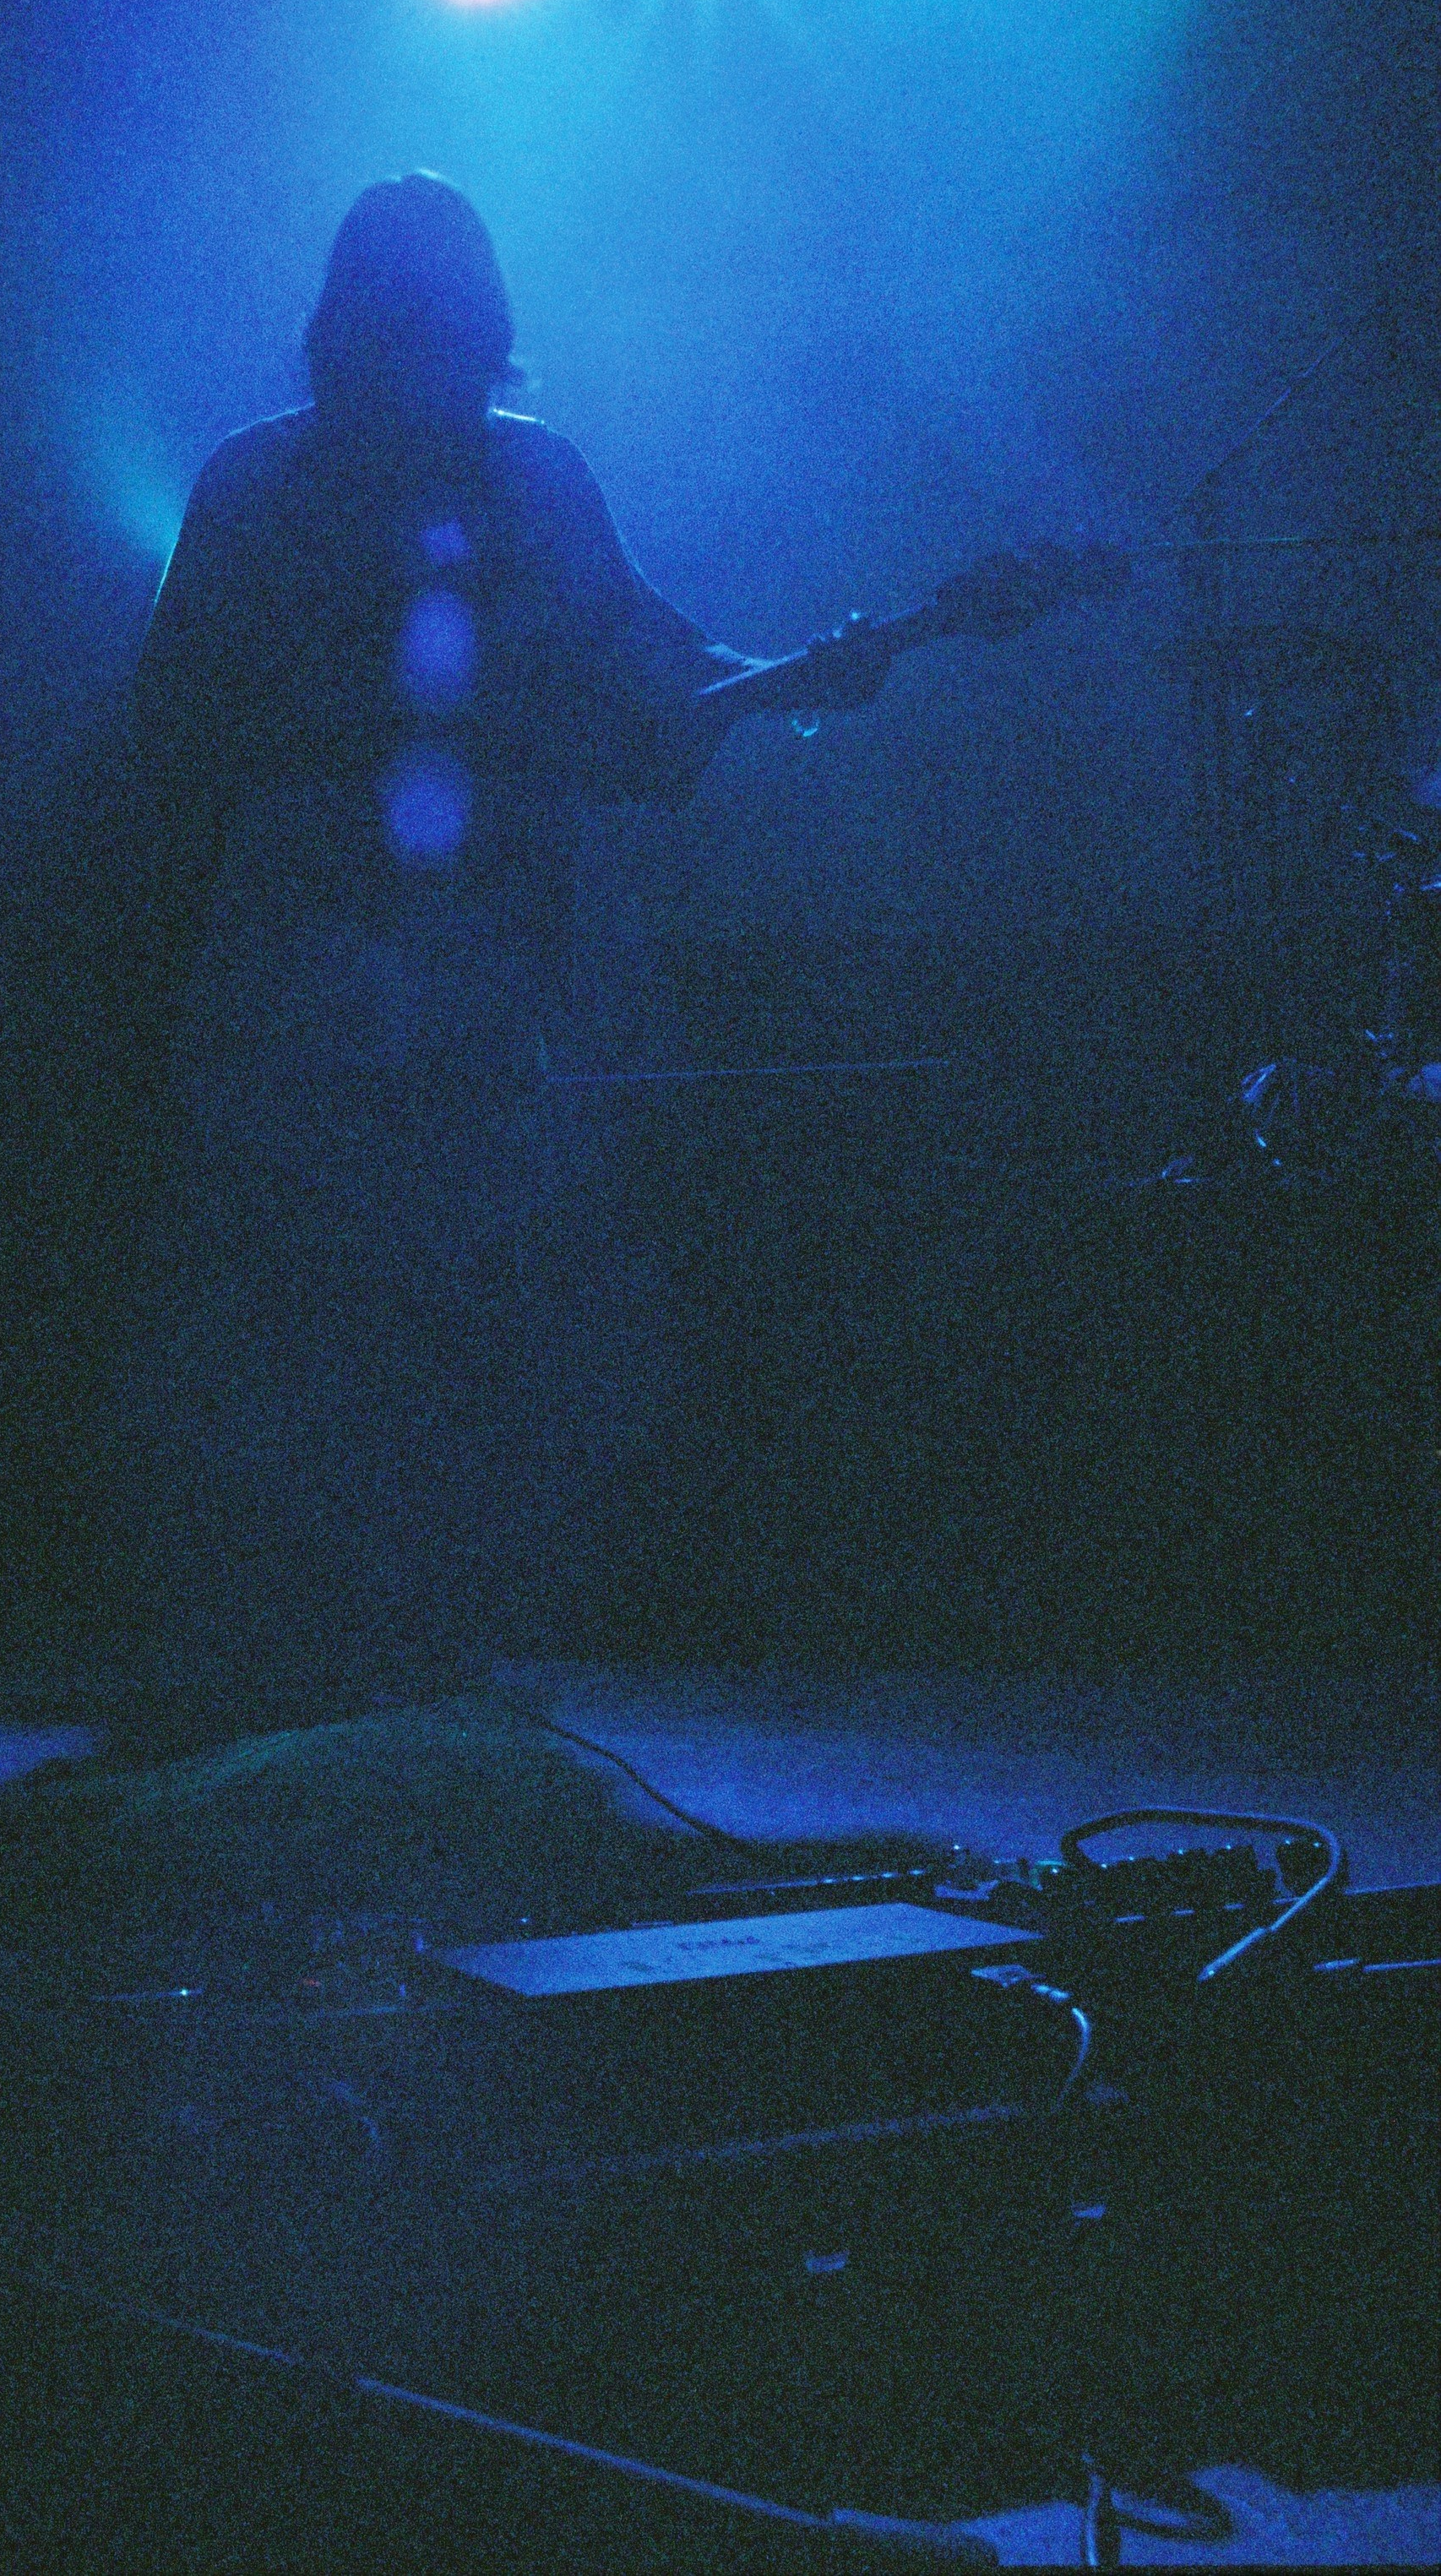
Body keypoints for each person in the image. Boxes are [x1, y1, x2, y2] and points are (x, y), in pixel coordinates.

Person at [76, 173, 1064, 1753]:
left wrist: (792, 675)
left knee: (412, 1280)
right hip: (347, 946)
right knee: (350, 1281)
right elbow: (194, 717)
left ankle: (380, 1636)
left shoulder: (438, 476)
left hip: (416, 946)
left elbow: (643, 666)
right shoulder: (317, 481)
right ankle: (332, 1634)